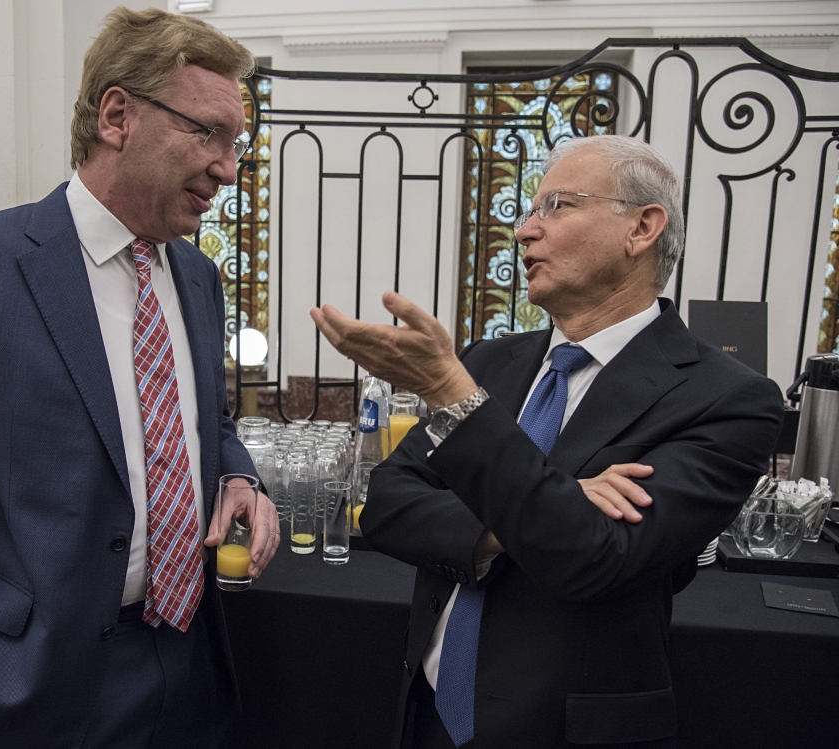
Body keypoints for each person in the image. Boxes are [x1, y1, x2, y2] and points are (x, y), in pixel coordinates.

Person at [0, 8, 279, 748]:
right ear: (118, 115)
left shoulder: (197, 278)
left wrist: (240, 478)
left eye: (236, 144)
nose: (228, 167)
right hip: (37, 683)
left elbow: (208, 424)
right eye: (208, 133)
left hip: (193, 660)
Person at [311, 135, 784, 749]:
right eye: (528, 211)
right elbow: (385, 504)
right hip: (426, 712)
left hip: (567, 731)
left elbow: (590, 559)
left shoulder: (727, 398)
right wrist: (546, 506)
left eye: (555, 206)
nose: (524, 232)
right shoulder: (491, 361)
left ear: (642, 227)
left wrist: (455, 397)